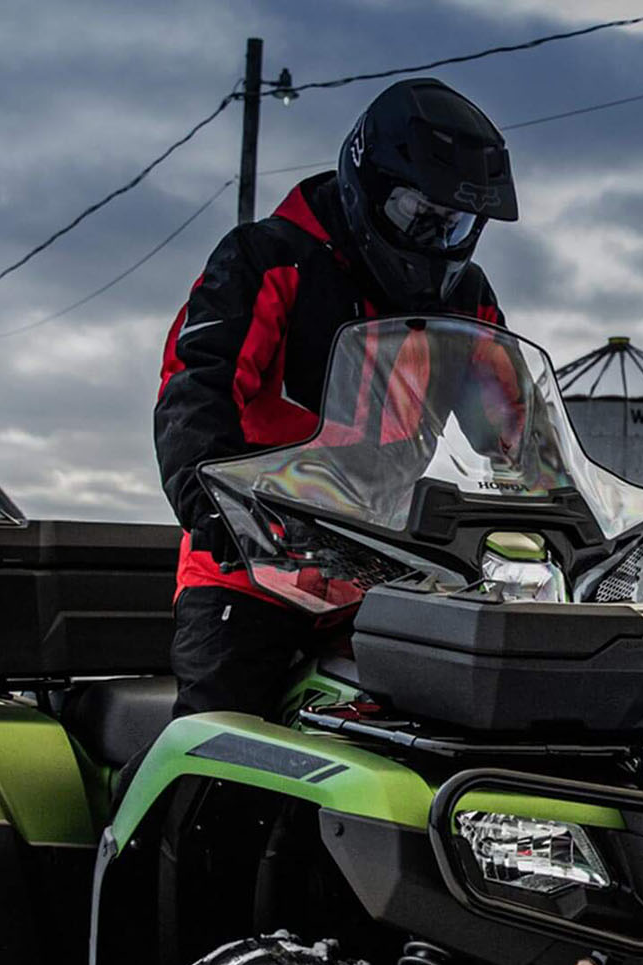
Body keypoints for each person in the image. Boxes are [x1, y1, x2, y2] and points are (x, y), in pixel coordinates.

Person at [153, 77, 516, 719]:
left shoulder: (466, 301)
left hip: (384, 579)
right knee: (222, 743)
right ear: (366, 184)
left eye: (454, 222)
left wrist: (547, 515)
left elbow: (513, 429)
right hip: (251, 572)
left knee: (458, 730)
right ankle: (153, 824)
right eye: (418, 213)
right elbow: (196, 386)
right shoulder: (266, 260)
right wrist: (213, 508)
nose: (435, 237)